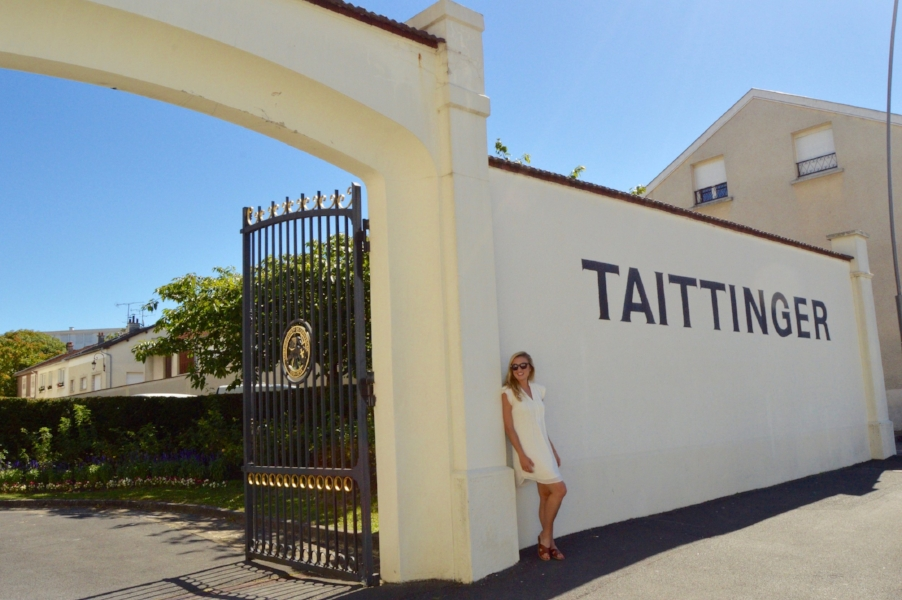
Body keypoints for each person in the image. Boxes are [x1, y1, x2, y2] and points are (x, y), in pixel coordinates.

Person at [501, 351, 567, 561]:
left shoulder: (538, 390)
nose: (519, 370)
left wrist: (553, 450)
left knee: (546, 495)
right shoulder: (508, 393)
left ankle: (549, 540)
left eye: (523, 365)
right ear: (511, 371)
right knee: (559, 490)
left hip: (544, 448)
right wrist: (521, 455)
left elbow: (541, 426)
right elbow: (509, 428)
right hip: (529, 451)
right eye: (515, 367)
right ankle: (546, 536)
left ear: (530, 368)